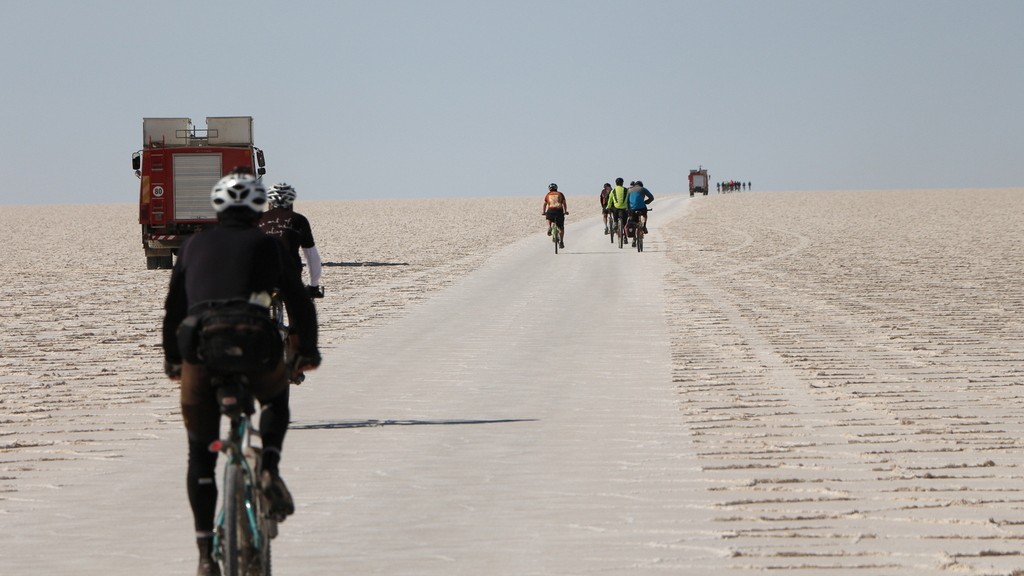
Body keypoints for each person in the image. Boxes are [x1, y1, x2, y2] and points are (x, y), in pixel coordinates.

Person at [162, 169, 321, 576]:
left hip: (202, 350)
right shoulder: (267, 245)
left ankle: (203, 556)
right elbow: (300, 301)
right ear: (256, 208)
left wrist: (174, 361)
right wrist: (307, 350)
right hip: (257, 344)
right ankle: (268, 465)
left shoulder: (192, 245)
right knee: (276, 399)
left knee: (200, 454)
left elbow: (174, 311)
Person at [258, 182, 323, 299]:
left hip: (262, 274)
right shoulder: (299, 220)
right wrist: (314, 286)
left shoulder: (257, 219)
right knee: (298, 308)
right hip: (290, 272)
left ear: (269, 202)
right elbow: (312, 256)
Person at [626, 180, 655, 245]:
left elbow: (627, 201)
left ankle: (634, 239)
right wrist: (646, 202)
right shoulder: (643, 189)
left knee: (634, 223)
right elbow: (651, 197)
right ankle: (644, 226)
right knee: (644, 215)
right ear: (641, 185)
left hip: (633, 209)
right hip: (642, 208)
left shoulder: (629, 190)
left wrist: (628, 209)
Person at [542, 183, 568, 249]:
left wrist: (543, 212)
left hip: (551, 211)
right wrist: (565, 211)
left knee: (548, 218)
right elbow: (564, 203)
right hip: (559, 211)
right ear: (556, 188)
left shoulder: (547, 195)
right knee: (561, 227)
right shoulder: (560, 194)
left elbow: (545, 204)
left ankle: (549, 227)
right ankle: (561, 242)